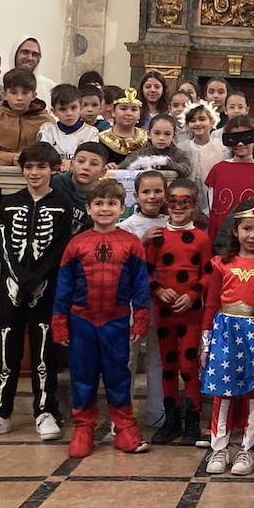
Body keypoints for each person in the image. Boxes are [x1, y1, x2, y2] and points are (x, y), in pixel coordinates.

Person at [0, 142, 75, 442]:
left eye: (40, 167)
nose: (34, 173)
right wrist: (16, 279)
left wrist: (38, 279)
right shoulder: (9, 202)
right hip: (11, 289)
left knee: (43, 351)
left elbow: (60, 248)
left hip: (46, 288)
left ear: (53, 169)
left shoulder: (62, 204)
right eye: (28, 167)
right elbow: (2, 245)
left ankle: (45, 410)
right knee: (6, 350)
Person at [52, 178, 152, 458]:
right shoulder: (76, 244)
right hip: (81, 320)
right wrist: (59, 322)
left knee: (118, 375)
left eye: (111, 203)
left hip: (116, 321)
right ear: (88, 209)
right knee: (82, 376)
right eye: (99, 203)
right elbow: (64, 286)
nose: (105, 209)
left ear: (123, 208)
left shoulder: (131, 244)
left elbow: (141, 285)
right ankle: (83, 428)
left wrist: (141, 318)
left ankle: (124, 428)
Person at [200, 202, 254, 475]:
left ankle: (248, 449)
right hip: (224, 332)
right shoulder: (221, 264)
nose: (253, 235)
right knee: (222, 393)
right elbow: (211, 303)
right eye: (247, 229)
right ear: (235, 231)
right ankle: (219, 447)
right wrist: (205, 343)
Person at [142, 179, 212, 447]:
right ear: (166, 204)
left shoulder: (201, 238)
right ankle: (171, 421)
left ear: (193, 206)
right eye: (173, 202)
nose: (178, 207)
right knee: (169, 367)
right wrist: (158, 291)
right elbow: (146, 272)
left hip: (191, 313)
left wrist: (192, 294)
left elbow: (207, 273)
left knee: (188, 366)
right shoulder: (157, 237)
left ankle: (192, 422)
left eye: (185, 202)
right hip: (165, 313)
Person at [119, 171, 171, 433]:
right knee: (127, 356)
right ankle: (123, 415)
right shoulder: (127, 226)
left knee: (158, 356)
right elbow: (121, 262)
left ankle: (157, 412)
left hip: (162, 299)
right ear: (136, 195)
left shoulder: (172, 221)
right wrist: (142, 242)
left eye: (158, 191)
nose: (152, 196)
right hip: (133, 300)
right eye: (146, 192)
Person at [204, 117, 254, 244]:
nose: (240, 144)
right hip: (222, 237)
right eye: (234, 139)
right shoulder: (218, 169)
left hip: (252, 238)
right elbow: (213, 207)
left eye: (245, 138)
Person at [0, 68, 54, 166]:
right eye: (13, 93)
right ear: (4, 95)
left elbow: (54, 153)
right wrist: (11, 158)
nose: (19, 98)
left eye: (25, 93)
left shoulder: (47, 122)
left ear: (34, 95)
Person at [52, 142, 109, 235]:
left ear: (103, 172)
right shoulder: (57, 184)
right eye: (81, 161)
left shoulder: (104, 196)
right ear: (71, 164)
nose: (86, 167)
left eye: (94, 164)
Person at [38, 83, 102, 165]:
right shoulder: (47, 130)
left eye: (73, 108)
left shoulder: (91, 132)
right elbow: (42, 157)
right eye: (62, 109)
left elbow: (90, 159)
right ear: (54, 112)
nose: (69, 113)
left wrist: (72, 163)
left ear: (81, 107)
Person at [126, 113, 194, 183]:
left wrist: (166, 163)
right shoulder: (141, 154)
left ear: (173, 136)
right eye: (157, 133)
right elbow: (124, 166)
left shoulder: (180, 154)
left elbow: (186, 171)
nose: (161, 138)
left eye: (167, 134)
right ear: (149, 134)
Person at [182, 100, 227, 190]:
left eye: (202, 119)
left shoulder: (222, 148)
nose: (197, 124)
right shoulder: (183, 148)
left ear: (212, 121)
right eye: (193, 120)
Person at [99, 88, 150, 164]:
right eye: (123, 108)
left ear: (140, 114)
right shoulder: (101, 139)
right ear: (113, 111)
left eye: (134, 110)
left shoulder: (147, 138)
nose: (128, 113)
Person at [11, 36, 56, 104]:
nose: (30, 58)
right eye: (25, 52)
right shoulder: (0, 83)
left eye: (35, 54)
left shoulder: (49, 87)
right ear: (15, 54)